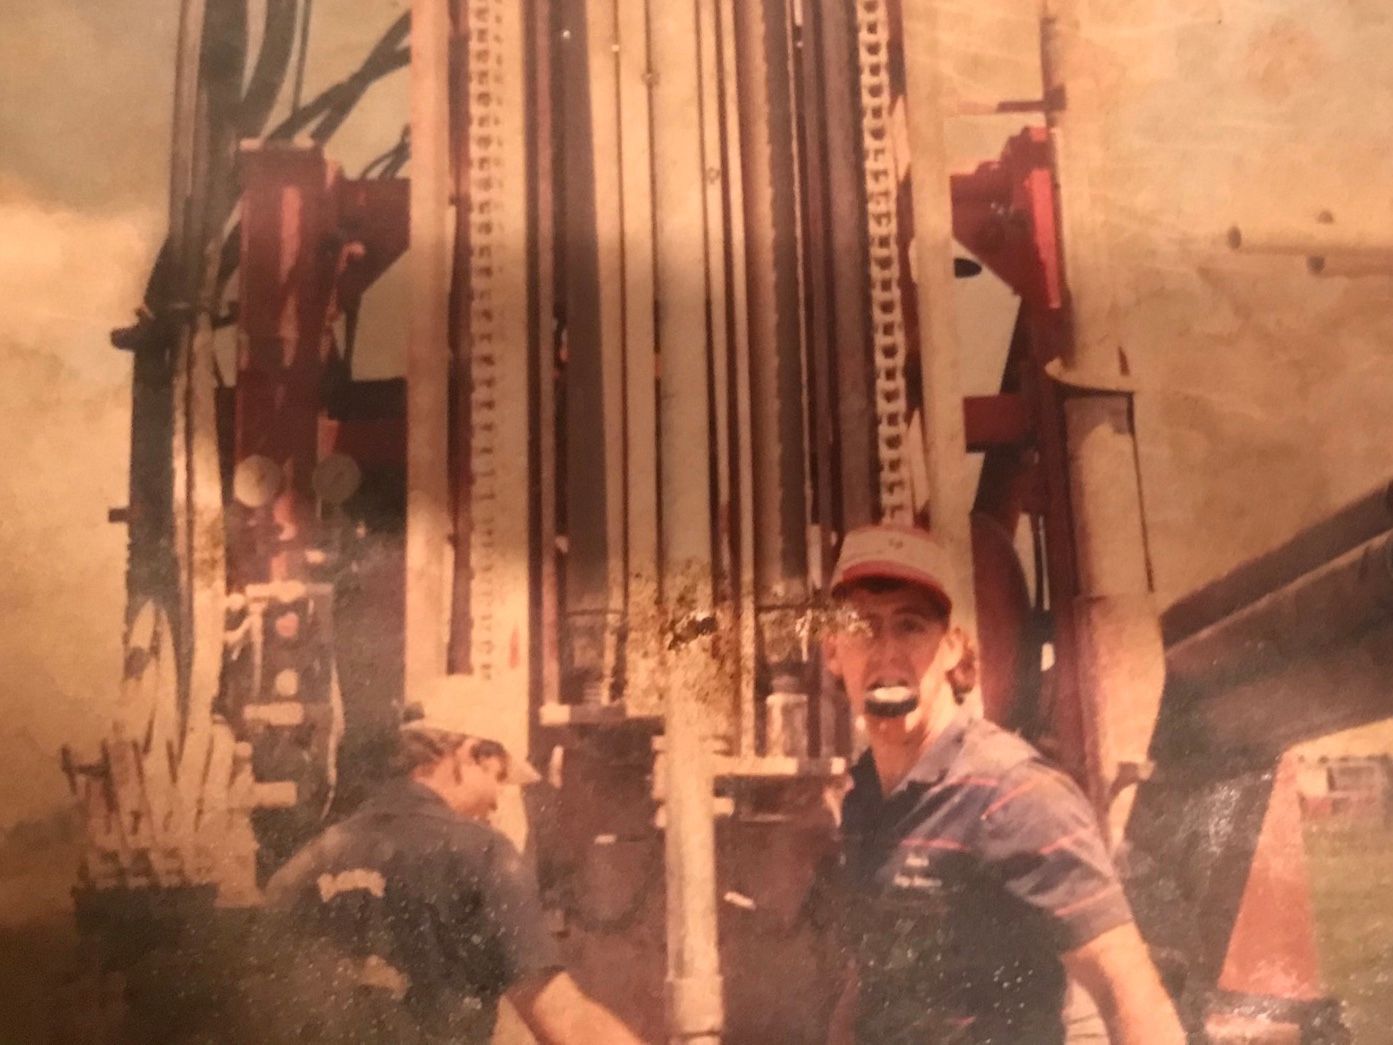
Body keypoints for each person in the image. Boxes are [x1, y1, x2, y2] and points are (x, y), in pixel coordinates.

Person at [822, 524, 1184, 1045]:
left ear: (951, 649)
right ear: (833, 651)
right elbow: (871, 976)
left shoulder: (1012, 794)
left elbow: (1128, 992)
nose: (886, 653)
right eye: (863, 628)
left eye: (910, 627)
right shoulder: (862, 798)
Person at [261, 676, 644, 1045]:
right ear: (468, 754)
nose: (496, 800)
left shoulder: (310, 861)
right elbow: (563, 1021)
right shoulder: (482, 855)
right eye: (497, 776)